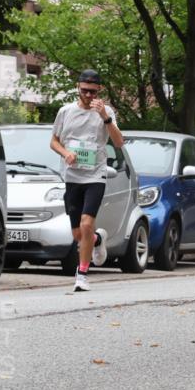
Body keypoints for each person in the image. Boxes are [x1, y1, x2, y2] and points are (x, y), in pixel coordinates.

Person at [49, 70, 124, 292]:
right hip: (72, 176)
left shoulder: (106, 112)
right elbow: (53, 141)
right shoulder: (65, 111)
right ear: (77, 87)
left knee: (87, 224)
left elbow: (119, 142)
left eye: (93, 91)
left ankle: (81, 275)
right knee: (78, 235)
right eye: (84, 91)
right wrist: (66, 153)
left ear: (99, 90)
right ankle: (97, 241)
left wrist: (105, 117)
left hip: (95, 175)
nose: (89, 95)